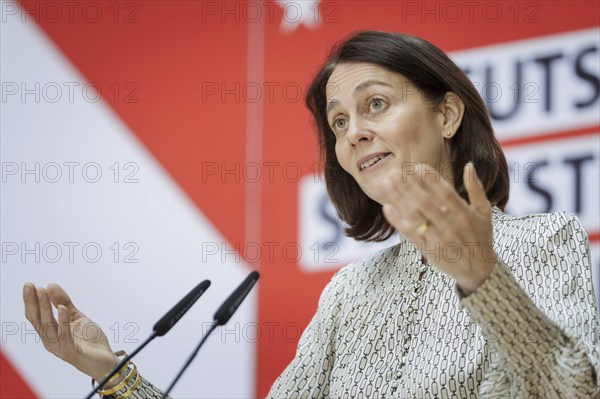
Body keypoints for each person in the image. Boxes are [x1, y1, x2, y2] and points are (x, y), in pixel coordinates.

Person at [23, 31, 599, 398]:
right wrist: (112, 374)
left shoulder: (544, 241)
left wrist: (483, 279)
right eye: (339, 121)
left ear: (447, 114)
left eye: (375, 104)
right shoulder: (350, 292)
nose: (354, 133)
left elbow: (570, 389)